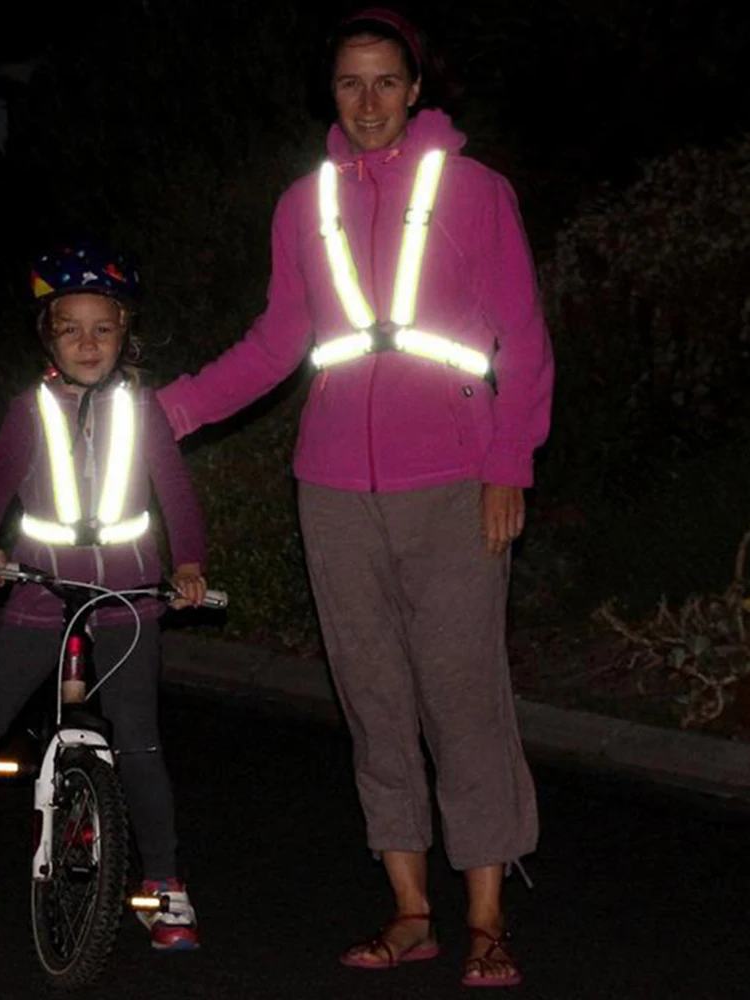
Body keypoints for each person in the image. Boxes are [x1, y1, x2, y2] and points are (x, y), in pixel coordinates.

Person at [156, 6, 553, 987]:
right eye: (349, 83)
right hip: (332, 489)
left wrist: (509, 462)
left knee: (463, 697)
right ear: (329, 94)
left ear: (415, 88)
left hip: (454, 482)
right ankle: (411, 910)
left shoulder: (474, 190)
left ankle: (487, 917)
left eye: (385, 81)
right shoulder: (306, 204)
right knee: (372, 700)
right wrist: (167, 412)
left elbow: (523, 337)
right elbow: (276, 341)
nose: (368, 102)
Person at [0, 239, 208, 956]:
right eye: (71, 329)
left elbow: (176, 494)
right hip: (41, 590)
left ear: (124, 332)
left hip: (128, 596)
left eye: (102, 328)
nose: (87, 343)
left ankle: (164, 884)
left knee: (138, 741)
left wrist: (191, 566)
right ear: (48, 337)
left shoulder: (143, 411)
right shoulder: (30, 409)